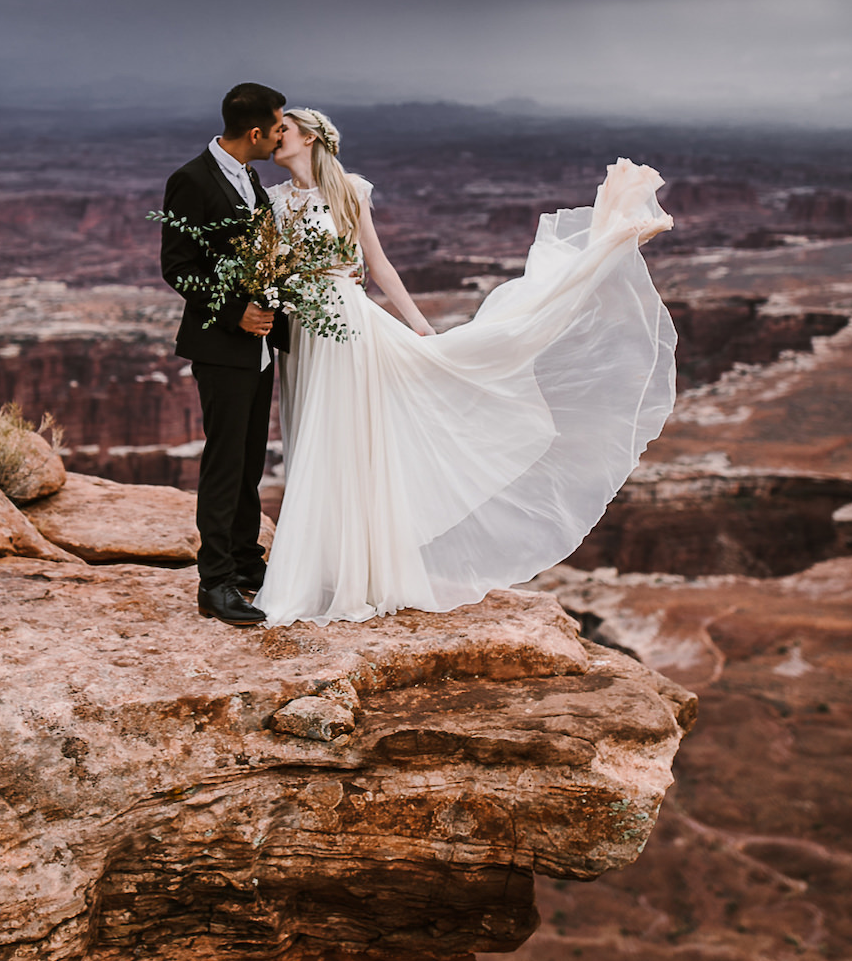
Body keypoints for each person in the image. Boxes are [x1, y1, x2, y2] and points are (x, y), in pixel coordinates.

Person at [252, 106, 678, 626]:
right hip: (301, 333)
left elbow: (377, 262)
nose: (274, 138)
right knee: (313, 438)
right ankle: (324, 569)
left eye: (284, 130)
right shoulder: (270, 200)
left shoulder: (350, 189)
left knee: (348, 439)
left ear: (312, 137)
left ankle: (606, 245)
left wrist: (417, 324)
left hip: (348, 325)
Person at [158, 82, 292, 628]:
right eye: (278, 126)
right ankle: (214, 583)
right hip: (221, 344)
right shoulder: (190, 180)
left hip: (258, 346)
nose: (282, 135)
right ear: (255, 132)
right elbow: (178, 264)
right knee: (223, 463)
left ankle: (245, 562)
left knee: (249, 459)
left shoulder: (251, 177)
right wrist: (236, 308)